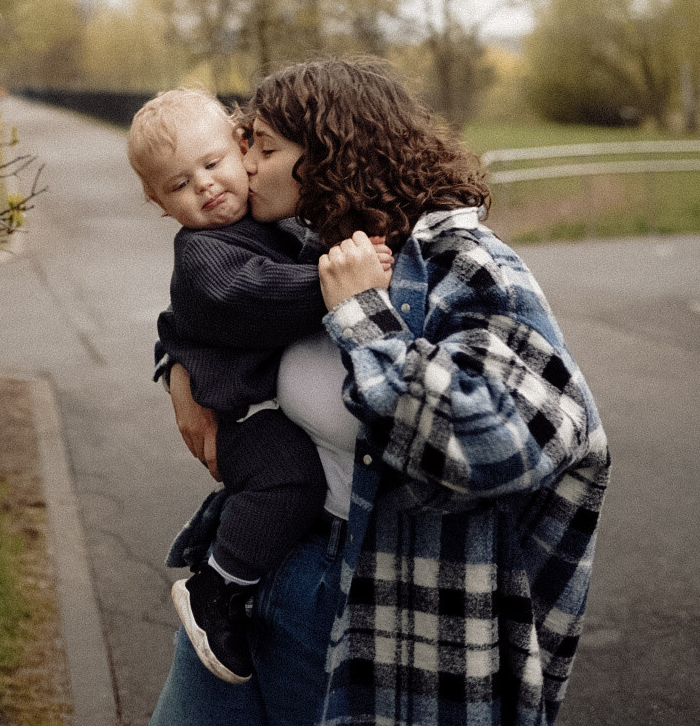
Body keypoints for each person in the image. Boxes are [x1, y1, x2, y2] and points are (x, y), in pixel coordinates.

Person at [150, 58, 610, 726]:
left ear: (333, 156)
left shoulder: (463, 262)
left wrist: (364, 317)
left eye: (267, 149)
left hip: (375, 604)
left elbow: (506, 444)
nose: (244, 166)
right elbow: (210, 297)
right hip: (254, 571)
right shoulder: (308, 242)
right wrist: (179, 370)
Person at [127, 87, 393, 685]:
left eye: (212, 164)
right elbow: (240, 296)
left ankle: (232, 582)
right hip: (242, 418)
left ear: (240, 146)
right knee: (290, 473)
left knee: (289, 475)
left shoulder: (277, 222)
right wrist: (337, 281)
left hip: (264, 412)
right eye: (178, 185)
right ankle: (215, 590)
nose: (203, 186)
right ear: (160, 203)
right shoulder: (203, 250)